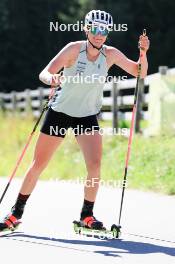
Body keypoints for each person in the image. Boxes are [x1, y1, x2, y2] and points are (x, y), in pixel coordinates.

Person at [0, 10, 149, 231]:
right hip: (60, 112)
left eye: (104, 30)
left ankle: (86, 215)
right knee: (38, 165)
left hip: (87, 115)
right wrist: (52, 78)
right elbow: (44, 72)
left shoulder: (111, 54)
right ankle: (15, 214)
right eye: (96, 29)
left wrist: (143, 53)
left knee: (95, 166)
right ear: (87, 29)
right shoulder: (73, 49)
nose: (100, 35)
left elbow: (139, 73)